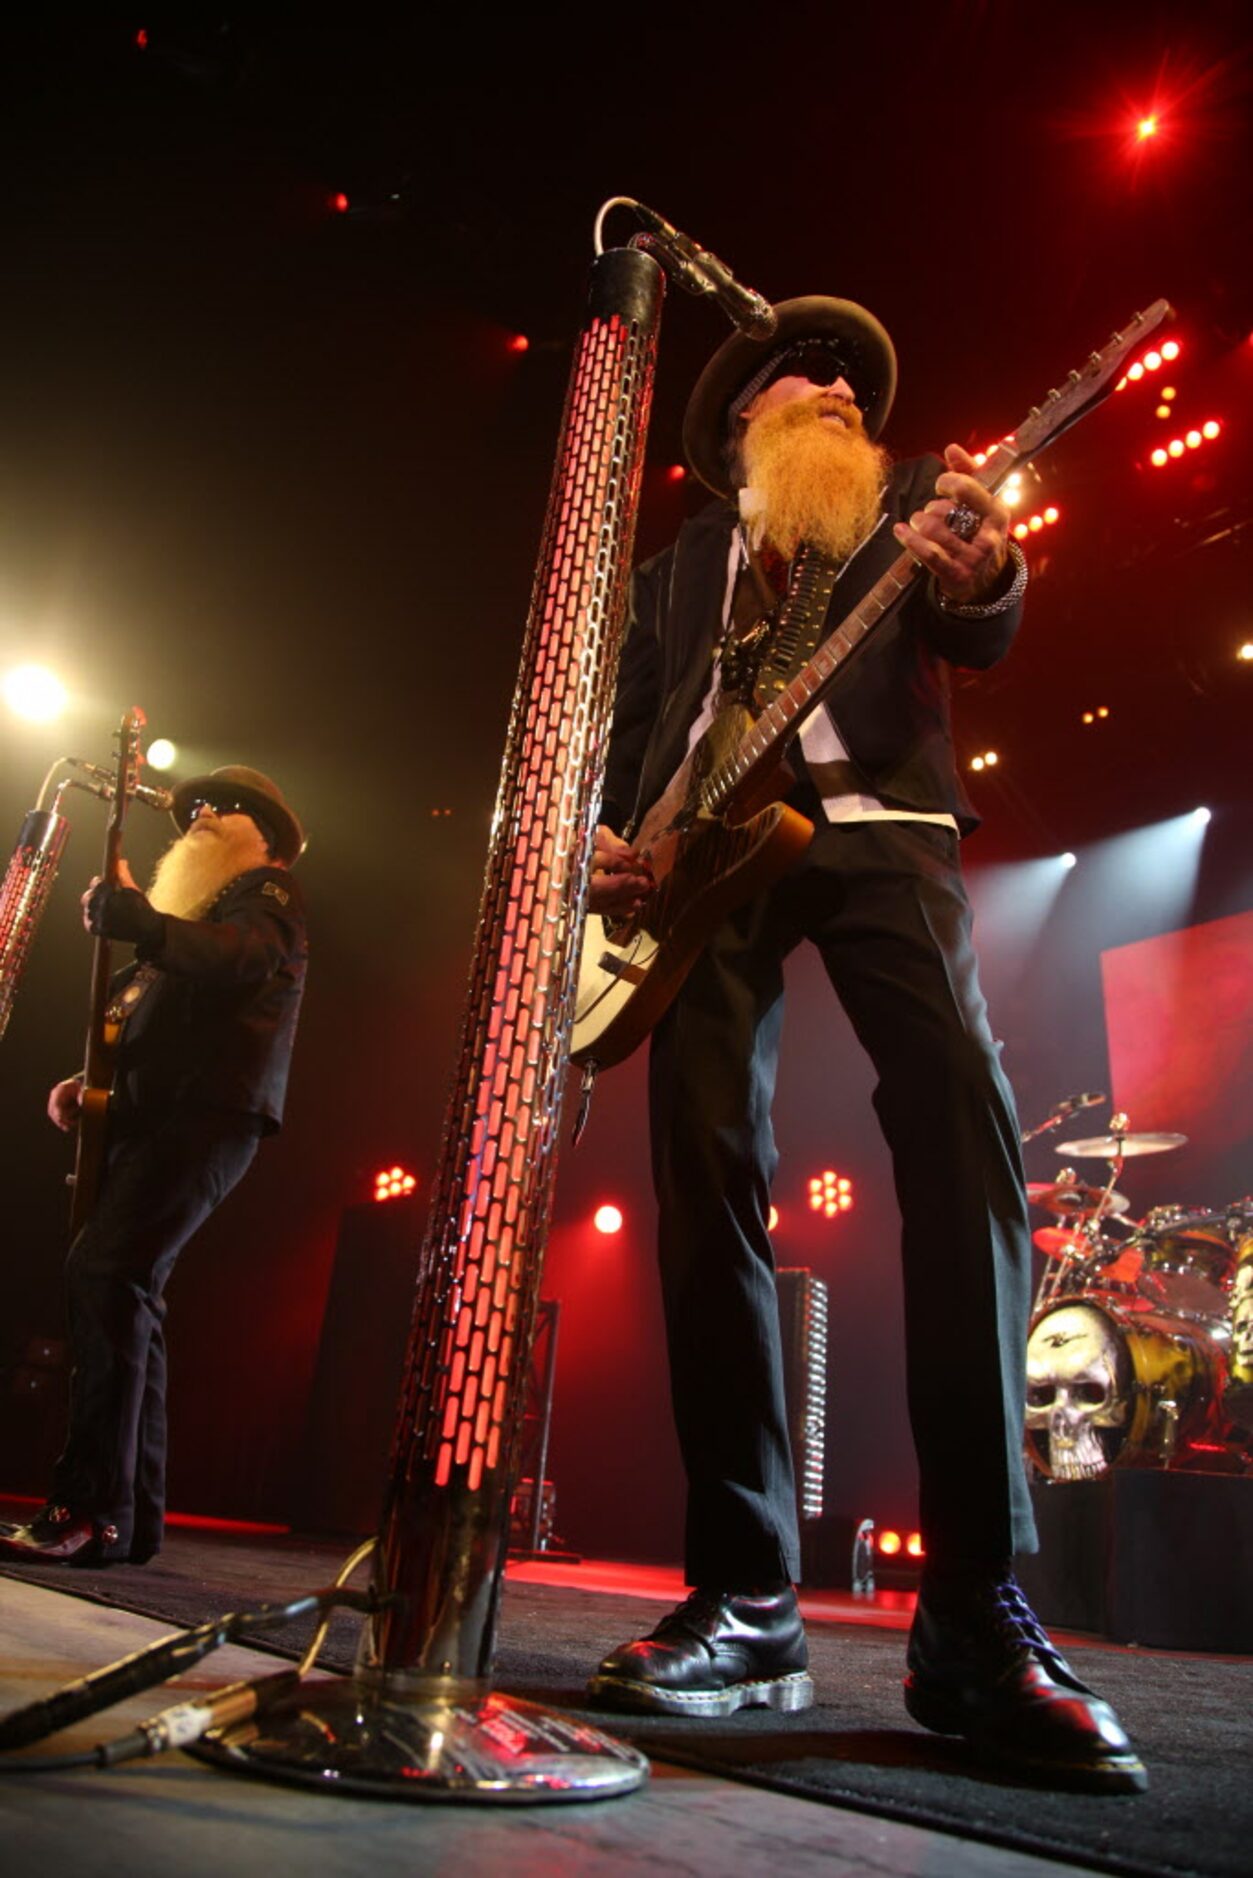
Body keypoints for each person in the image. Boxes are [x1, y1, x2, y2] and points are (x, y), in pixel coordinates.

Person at [582, 297, 1145, 1792]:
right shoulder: (677, 567)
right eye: (805, 373)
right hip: (696, 867)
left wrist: (992, 562)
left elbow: (985, 611)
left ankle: (972, 1602)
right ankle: (748, 1595)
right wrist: (601, 836)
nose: (840, 385)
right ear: (738, 425)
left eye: (855, 377)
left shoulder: (911, 505)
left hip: (884, 833)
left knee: (961, 1125)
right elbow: (627, 719)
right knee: (703, 1175)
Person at [0, 767, 307, 1569]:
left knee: (107, 1272)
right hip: (156, 1118)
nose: (199, 817)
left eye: (221, 808)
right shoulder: (187, 928)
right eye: (192, 810)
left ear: (265, 833)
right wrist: (87, 1080)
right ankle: (125, 1519)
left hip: (209, 1115)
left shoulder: (266, 899)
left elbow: (240, 959)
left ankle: (87, 1507)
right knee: (126, 1288)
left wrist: (144, 923)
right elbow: (140, 1011)